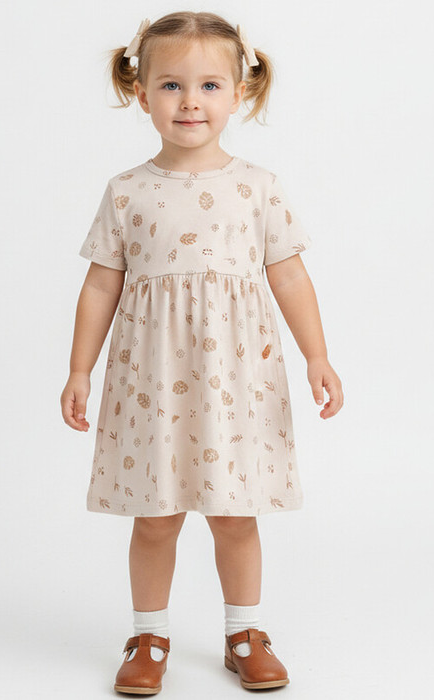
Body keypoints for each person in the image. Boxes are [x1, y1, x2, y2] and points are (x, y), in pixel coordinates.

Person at [60, 11, 344, 695]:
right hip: (152, 380)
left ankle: (244, 633)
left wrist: (318, 356)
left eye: (210, 85)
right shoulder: (127, 191)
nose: (191, 102)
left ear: (240, 92)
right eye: (172, 85)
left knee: (234, 514)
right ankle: (148, 636)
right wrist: (78, 369)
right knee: (155, 518)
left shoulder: (258, 187)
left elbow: (289, 276)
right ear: (141, 93)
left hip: (235, 381)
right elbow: (101, 284)